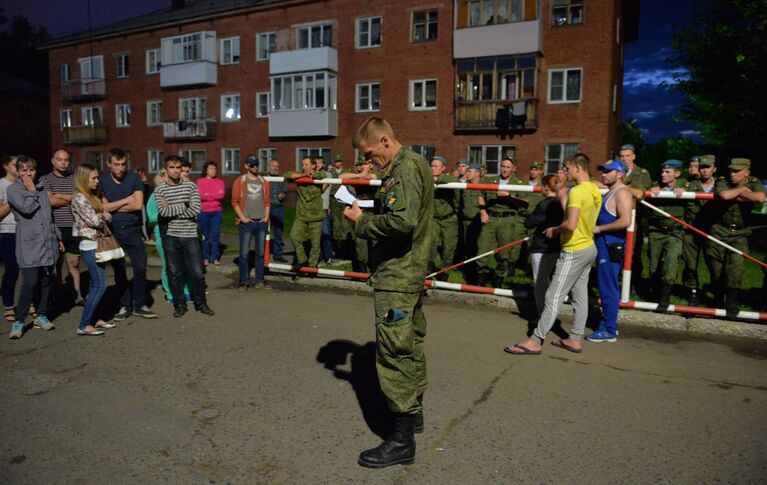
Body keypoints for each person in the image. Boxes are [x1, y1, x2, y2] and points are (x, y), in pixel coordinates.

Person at [344, 117, 433, 469]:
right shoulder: (414, 163)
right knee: (409, 344)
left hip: (398, 276)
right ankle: (415, 416)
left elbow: (403, 222)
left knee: (394, 353)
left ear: (384, 141)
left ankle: (401, 440)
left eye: (370, 154)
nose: (369, 162)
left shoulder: (403, 169)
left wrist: (361, 221)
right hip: (409, 271)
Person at [504, 153, 601, 355]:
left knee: (552, 295)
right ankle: (574, 339)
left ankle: (535, 340)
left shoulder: (578, 192)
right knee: (580, 296)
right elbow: (573, 211)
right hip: (589, 247)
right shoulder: (592, 189)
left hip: (574, 248)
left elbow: (570, 223)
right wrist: (562, 189)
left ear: (577, 168)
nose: (565, 171)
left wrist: (555, 230)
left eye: (567, 167)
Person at [7, 156, 63, 339]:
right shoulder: (13, 190)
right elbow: (26, 209)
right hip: (29, 245)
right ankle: (19, 321)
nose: (28, 173)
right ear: (17, 172)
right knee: (30, 283)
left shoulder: (42, 189)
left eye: (31, 169)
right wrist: (31, 191)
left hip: (47, 242)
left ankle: (41, 314)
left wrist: (58, 238)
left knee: (46, 281)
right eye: (23, 170)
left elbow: (49, 218)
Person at [100, 148, 158, 320]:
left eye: (123, 164)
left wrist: (113, 206)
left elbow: (137, 205)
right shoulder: (103, 180)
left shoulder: (134, 178)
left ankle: (140, 304)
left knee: (140, 269)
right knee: (119, 271)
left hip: (134, 230)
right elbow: (103, 207)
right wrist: (126, 200)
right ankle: (125, 305)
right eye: (116, 164)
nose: (120, 168)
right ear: (108, 164)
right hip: (114, 231)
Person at [155, 156, 215, 318]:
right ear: (166, 169)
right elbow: (163, 212)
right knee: (174, 272)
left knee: (197, 272)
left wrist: (174, 209)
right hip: (171, 236)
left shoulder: (190, 186)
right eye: (171, 167)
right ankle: (179, 304)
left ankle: (201, 303)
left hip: (190, 235)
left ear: (182, 169)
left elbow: (196, 209)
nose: (175, 170)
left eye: (178, 167)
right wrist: (185, 205)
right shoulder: (160, 189)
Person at [706, 158, 766, 317]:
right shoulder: (722, 181)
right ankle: (717, 300)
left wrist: (741, 191)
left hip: (740, 233)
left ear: (746, 172)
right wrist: (742, 191)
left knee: (736, 267)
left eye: (737, 171)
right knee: (716, 269)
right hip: (719, 231)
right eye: (731, 170)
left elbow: (760, 197)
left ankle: (731, 301)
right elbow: (725, 195)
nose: (732, 174)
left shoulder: (754, 181)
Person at [71, 164, 119, 335]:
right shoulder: (79, 198)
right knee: (100, 285)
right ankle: (84, 325)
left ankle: (96, 319)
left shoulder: (91, 196)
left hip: (98, 245)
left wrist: (102, 214)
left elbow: (104, 216)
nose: (97, 181)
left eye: (97, 177)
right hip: (90, 246)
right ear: (84, 179)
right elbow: (96, 221)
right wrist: (102, 214)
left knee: (94, 284)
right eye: (93, 178)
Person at [587, 160, 632, 341]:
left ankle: (609, 330)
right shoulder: (611, 192)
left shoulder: (622, 193)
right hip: (605, 245)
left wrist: (599, 229)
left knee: (609, 288)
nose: (603, 174)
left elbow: (625, 221)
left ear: (620, 174)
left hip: (611, 245)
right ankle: (608, 325)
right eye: (603, 171)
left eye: (608, 171)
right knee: (606, 286)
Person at [647, 159, 695, 312]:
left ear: (677, 173)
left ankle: (665, 296)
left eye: (667, 172)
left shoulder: (685, 185)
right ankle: (655, 293)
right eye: (662, 171)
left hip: (674, 232)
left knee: (671, 262)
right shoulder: (655, 186)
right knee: (654, 265)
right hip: (656, 231)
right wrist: (651, 191)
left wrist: (684, 192)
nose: (663, 174)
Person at [475, 157, 527, 287]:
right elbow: (480, 194)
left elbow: (525, 203)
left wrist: (509, 196)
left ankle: (498, 278)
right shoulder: (490, 180)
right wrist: (482, 211)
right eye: (503, 166)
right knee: (483, 248)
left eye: (508, 167)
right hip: (490, 218)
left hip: (507, 220)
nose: (504, 169)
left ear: (513, 168)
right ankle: (481, 277)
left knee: (504, 253)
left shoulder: (519, 183)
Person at [40, 149, 82, 305]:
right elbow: (50, 202)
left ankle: (77, 295)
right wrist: (71, 198)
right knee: (55, 265)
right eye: (59, 159)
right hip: (55, 228)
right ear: (53, 161)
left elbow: (80, 199)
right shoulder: (46, 179)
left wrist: (59, 196)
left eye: (66, 160)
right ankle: (55, 296)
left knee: (74, 263)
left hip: (73, 227)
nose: (63, 163)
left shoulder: (74, 179)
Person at [146, 169, 191, 304]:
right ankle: (170, 293)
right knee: (169, 265)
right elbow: (151, 217)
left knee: (183, 264)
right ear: (162, 179)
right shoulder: (155, 196)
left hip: (180, 232)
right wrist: (166, 213)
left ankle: (186, 291)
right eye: (168, 176)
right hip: (163, 234)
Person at [523, 174, 565, 318]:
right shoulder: (562, 203)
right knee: (550, 280)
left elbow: (530, 222)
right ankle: (549, 311)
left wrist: (526, 215)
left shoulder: (544, 204)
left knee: (540, 282)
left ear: (547, 187)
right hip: (556, 247)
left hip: (541, 248)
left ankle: (544, 314)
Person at [682, 154, 717, 306]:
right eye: (701, 167)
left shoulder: (722, 185)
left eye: (706, 167)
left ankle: (718, 296)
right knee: (690, 264)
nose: (703, 170)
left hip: (714, 231)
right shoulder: (688, 184)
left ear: (714, 169)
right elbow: (670, 186)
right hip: (692, 230)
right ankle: (692, 293)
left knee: (715, 265)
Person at [231, 155, 271, 290]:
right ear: (246, 166)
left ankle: (260, 280)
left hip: (261, 222)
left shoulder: (263, 181)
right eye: (252, 165)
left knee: (260, 253)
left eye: (256, 165)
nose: (255, 167)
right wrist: (242, 217)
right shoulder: (240, 181)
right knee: (243, 254)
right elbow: (234, 201)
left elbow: (267, 201)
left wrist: (266, 217)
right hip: (246, 222)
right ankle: (244, 281)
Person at [618, 144, 652, 294]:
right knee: (617, 250)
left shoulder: (642, 173)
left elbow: (640, 193)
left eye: (627, 155)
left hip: (635, 218)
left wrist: (620, 188)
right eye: (622, 156)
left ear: (634, 156)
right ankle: (619, 282)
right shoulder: (615, 170)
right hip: (617, 216)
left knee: (633, 252)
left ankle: (633, 283)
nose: (625, 159)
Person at [284, 156, 327, 268]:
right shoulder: (300, 175)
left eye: (306, 165)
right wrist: (304, 175)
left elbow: (322, 175)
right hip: (301, 215)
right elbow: (287, 175)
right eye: (302, 164)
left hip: (316, 216)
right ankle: (303, 260)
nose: (303, 167)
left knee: (315, 245)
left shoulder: (320, 175)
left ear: (313, 165)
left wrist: (312, 174)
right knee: (294, 236)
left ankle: (312, 268)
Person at [339, 156, 377, 272]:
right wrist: (359, 175)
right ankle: (362, 269)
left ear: (371, 165)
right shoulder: (356, 175)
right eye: (360, 165)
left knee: (375, 242)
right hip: (359, 213)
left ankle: (375, 268)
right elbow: (341, 176)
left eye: (364, 164)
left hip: (373, 214)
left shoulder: (376, 174)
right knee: (361, 243)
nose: (362, 167)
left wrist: (360, 177)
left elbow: (372, 177)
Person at [430, 156, 459, 279]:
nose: (433, 168)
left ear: (443, 168)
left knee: (448, 248)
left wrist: (436, 179)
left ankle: (445, 274)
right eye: (431, 166)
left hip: (448, 220)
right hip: (433, 219)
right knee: (430, 245)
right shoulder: (427, 179)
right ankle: (428, 272)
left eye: (436, 166)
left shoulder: (449, 179)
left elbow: (455, 180)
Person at [0, 155, 20, 322]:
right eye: (15, 165)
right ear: (6, 166)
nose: (18, 167)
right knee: (12, 270)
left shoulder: (24, 183)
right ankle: (8, 305)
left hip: (26, 232)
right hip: (8, 232)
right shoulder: (1, 185)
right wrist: (14, 199)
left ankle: (29, 303)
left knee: (30, 271)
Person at [196, 160, 225, 267]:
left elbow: (221, 195)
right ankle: (205, 257)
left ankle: (215, 257)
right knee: (205, 236)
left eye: (215, 169)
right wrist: (213, 195)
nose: (214, 171)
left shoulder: (220, 182)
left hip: (216, 213)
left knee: (215, 235)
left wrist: (208, 195)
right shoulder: (200, 182)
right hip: (203, 212)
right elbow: (200, 196)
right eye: (211, 168)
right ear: (206, 170)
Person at [458, 162, 483, 284]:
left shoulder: (484, 186)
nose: (466, 173)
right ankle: (470, 274)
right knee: (468, 249)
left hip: (479, 223)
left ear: (477, 173)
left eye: (469, 171)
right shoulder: (465, 186)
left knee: (479, 249)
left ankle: (479, 275)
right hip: (466, 223)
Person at [328, 154, 353, 260]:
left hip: (343, 200)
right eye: (336, 161)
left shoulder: (346, 171)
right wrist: (329, 206)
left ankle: (345, 250)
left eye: (340, 161)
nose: (338, 163)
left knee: (345, 225)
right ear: (334, 162)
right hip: (334, 202)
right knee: (336, 226)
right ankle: (337, 250)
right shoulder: (331, 173)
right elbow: (328, 190)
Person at [267, 159, 289, 263]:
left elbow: (285, 191)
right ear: (268, 166)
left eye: (277, 166)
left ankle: (278, 254)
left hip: (279, 208)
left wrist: (283, 195)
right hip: (267, 208)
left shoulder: (281, 179)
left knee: (278, 232)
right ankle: (262, 254)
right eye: (273, 166)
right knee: (264, 232)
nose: (275, 168)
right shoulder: (265, 179)